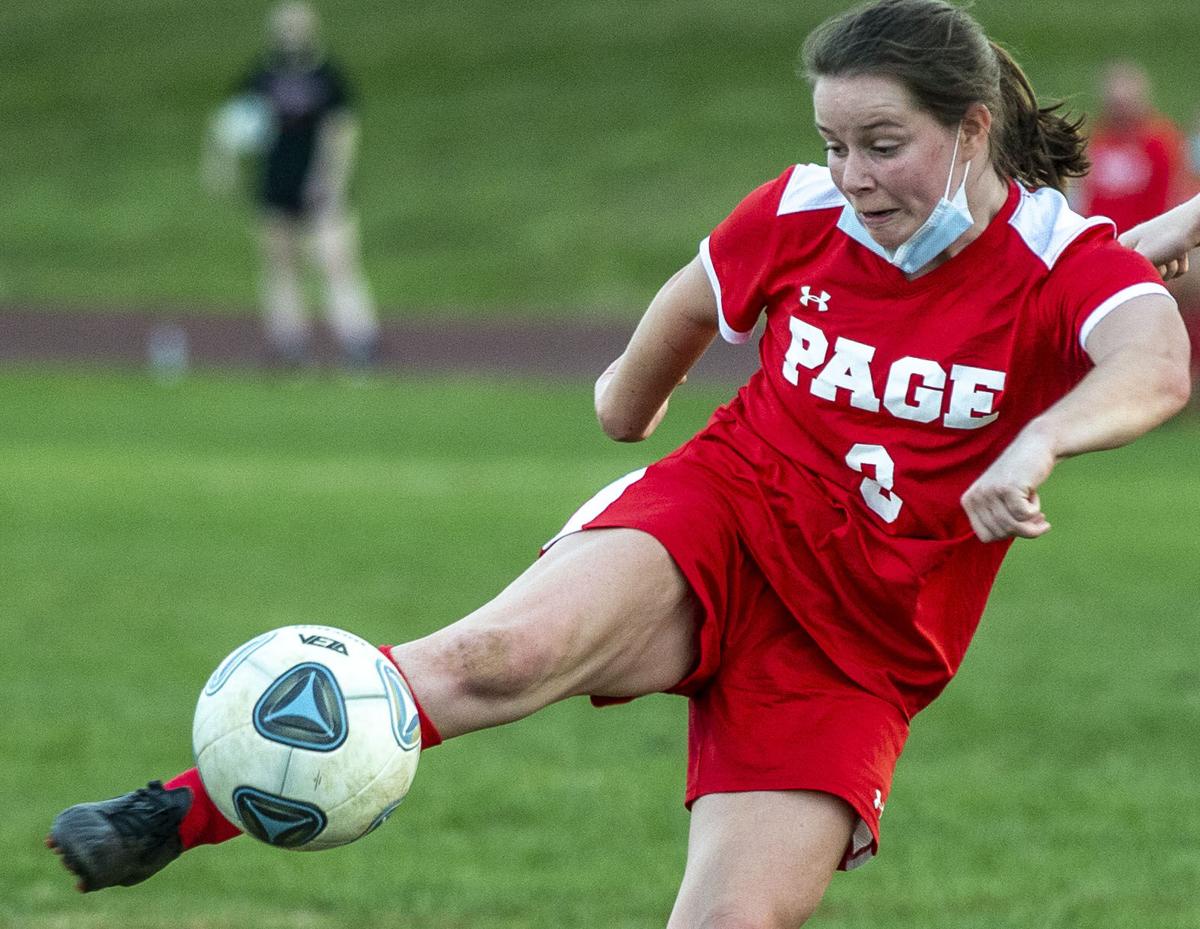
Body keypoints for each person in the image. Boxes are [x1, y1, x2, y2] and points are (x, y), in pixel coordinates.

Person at [48, 1, 1196, 925]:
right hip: (725, 515)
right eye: (834, 143)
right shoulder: (805, 212)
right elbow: (698, 293)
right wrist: (625, 400)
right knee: (499, 655)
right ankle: (173, 810)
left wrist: (1043, 435)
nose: (849, 175)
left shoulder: (1062, 258)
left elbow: (1153, 359)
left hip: (864, 638)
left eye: (883, 145)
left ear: (975, 128)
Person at [204, 1, 380, 368]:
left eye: (297, 25)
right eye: (284, 26)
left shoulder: (327, 76)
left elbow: (342, 131)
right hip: (276, 181)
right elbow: (230, 122)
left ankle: (359, 341)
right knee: (281, 265)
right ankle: (289, 345)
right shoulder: (263, 75)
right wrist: (222, 164)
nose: (290, 32)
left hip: (319, 185)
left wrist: (332, 180)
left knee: (336, 262)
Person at [1072, 59, 1200, 380]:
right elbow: (1081, 202)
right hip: (1105, 248)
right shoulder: (1095, 142)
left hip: (1153, 245)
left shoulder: (1159, 141)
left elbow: (1174, 200)